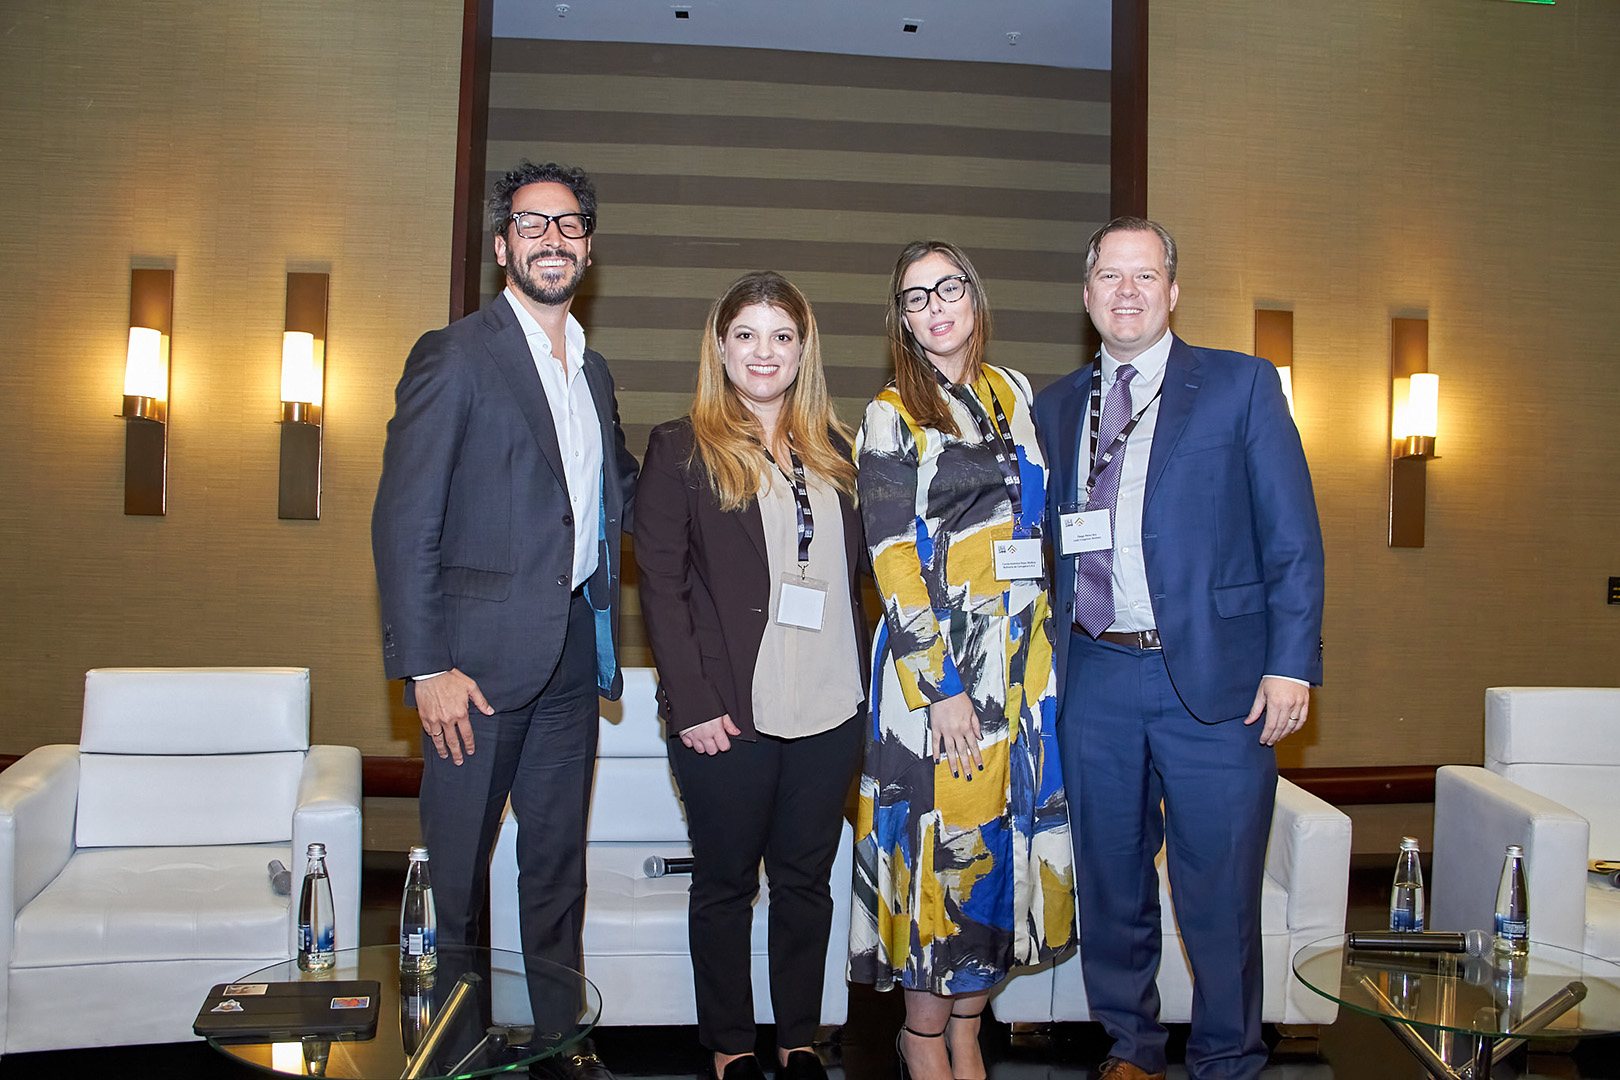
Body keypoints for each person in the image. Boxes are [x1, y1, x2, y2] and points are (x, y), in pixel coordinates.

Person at [1034, 217, 1325, 1080]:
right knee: (1110, 881)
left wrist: (1291, 662)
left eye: (1145, 275)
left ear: (1173, 290)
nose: (1127, 292)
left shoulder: (1241, 385)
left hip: (1219, 683)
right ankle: (1131, 1046)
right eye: (1109, 276)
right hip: (1094, 673)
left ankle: (1228, 1055)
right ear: (1086, 295)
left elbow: (1292, 539)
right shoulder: (1055, 407)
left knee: (1219, 891)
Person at [371, 160, 638, 1080]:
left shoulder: (593, 372)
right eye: (532, 224)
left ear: (589, 248)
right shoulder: (455, 355)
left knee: (557, 867)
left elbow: (615, 495)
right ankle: (454, 1051)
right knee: (459, 875)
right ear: (501, 246)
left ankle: (563, 1044)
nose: (551, 239)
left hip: (570, 657)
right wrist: (427, 666)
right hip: (472, 670)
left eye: (568, 225)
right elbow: (404, 520)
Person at [850, 240, 1076, 1080]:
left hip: (1022, 668)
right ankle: (921, 1038)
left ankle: (969, 1032)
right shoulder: (890, 413)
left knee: (1006, 843)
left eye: (948, 289)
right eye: (916, 297)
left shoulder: (1014, 391)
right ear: (902, 321)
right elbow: (891, 559)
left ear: (974, 297)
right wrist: (940, 687)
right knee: (947, 851)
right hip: (941, 673)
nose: (935, 306)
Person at [634, 271, 868, 1080]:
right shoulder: (679, 449)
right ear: (720, 347)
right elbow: (661, 587)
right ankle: (731, 1045)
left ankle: (798, 1039)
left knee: (807, 884)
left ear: (804, 350)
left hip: (831, 708)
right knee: (726, 886)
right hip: (727, 711)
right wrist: (692, 702)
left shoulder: (840, 451)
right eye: (746, 335)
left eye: (781, 336)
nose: (763, 352)